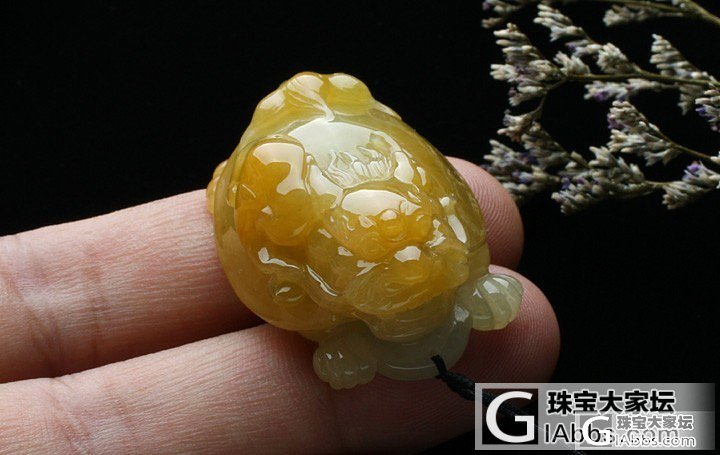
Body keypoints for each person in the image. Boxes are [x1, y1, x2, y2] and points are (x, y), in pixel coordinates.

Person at [0, 158, 559, 453]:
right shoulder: (308, 288)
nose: (407, 272)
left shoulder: (448, 238)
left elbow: (455, 222)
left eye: (422, 249)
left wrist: (468, 278)